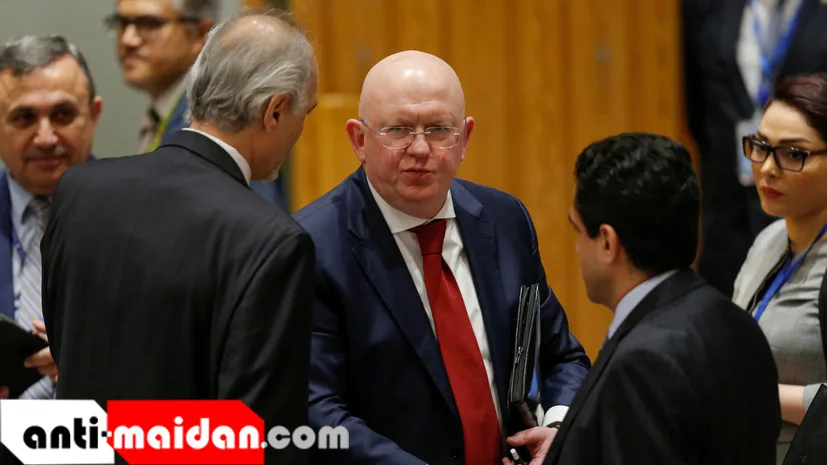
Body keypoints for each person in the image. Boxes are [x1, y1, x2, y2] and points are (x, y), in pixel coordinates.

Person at [41, 9, 318, 464]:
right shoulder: (272, 241)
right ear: (275, 110)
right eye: (304, 113)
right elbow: (257, 436)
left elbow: (66, 347)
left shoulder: (79, 190)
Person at [294, 50, 590, 465]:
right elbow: (316, 411)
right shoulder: (311, 246)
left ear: (464, 138)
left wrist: (557, 430)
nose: (420, 148)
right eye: (398, 129)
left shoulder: (505, 220)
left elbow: (562, 356)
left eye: (438, 129)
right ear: (359, 140)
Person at [537, 133, 780, 465]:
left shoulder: (643, 363)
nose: (578, 248)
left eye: (579, 230)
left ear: (607, 242)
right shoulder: (737, 323)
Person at [0, 33, 101, 465]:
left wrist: (101, 363)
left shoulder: (155, 217)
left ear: (94, 114)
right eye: (24, 118)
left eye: (62, 114)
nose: (45, 137)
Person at [682, 0, 827, 298]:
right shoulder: (709, 10)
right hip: (724, 206)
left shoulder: (820, 16)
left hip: (802, 207)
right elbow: (696, 105)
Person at [106, 0, 286, 207]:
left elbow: (250, 218)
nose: (128, 40)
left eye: (150, 23)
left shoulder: (222, 118)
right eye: (122, 22)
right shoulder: (164, 115)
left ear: (201, 33)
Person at [733, 73, 827, 464]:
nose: (768, 168)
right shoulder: (768, 240)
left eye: (793, 154)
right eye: (760, 147)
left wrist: (756, 393)